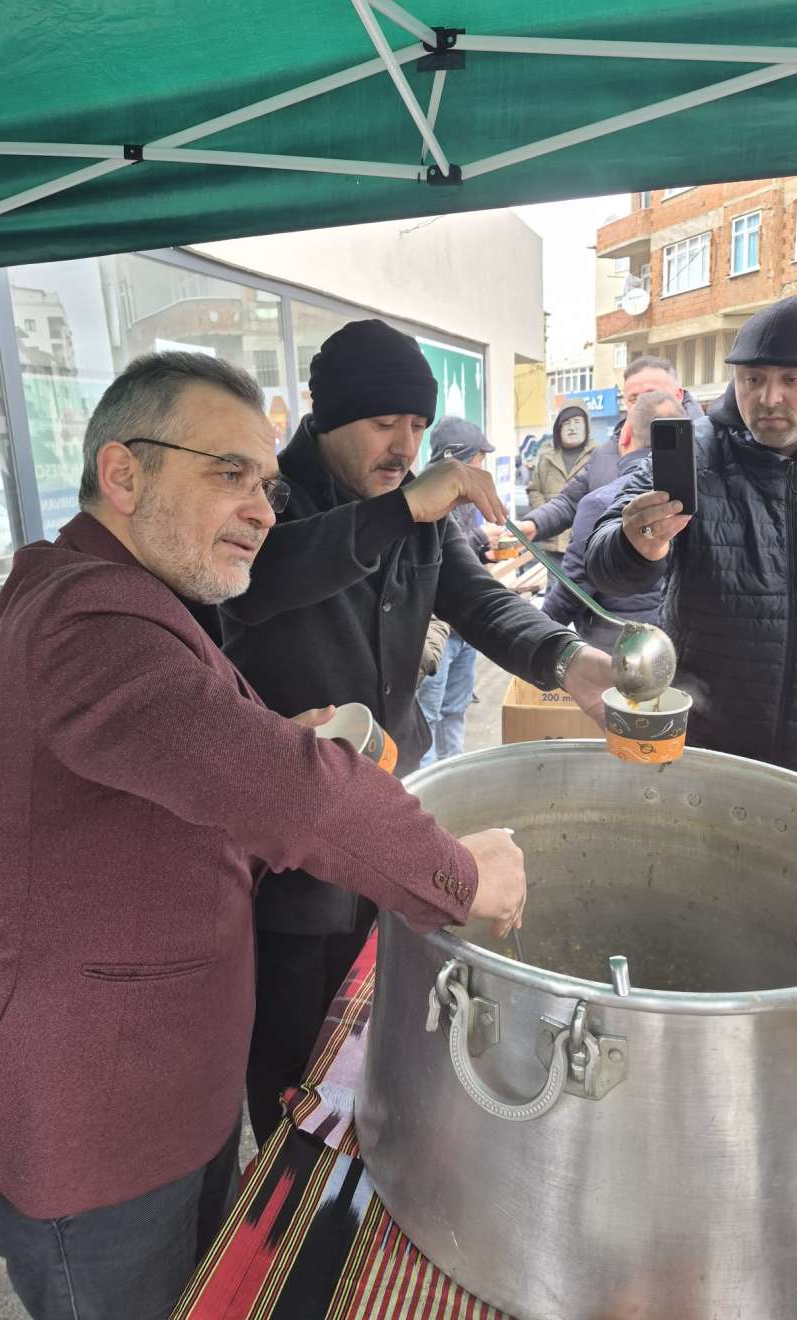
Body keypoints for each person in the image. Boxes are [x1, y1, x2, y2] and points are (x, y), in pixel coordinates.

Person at [0, 352, 527, 1320]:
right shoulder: (87, 616)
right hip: (86, 1138)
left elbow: (185, 771)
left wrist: (277, 742)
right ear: (123, 474)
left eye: (268, 484)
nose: (261, 509)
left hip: (169, 1100)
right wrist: (459, 876)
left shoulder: (137, 598)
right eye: (227, 473)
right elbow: (294, 796)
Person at [214, 318, 613, 1144]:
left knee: (375, 1015)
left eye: (418, 426)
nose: (405, 445)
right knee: (290, 1043)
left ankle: (366, 1148)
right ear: (326, 416)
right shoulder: (267, 498)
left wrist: (567, 659)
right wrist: (401, 508)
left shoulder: (416, 509)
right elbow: (255, 586)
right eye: (384, 423)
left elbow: (477, 598)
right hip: (287, 836)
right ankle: (289, 1185)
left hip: (389, 806)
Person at [586, 295, 797, 785]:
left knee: (796, 849)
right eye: (753, 379)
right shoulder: (696, 452)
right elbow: (604, 562)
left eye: (792, 379)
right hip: (708, 726)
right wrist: (637, 544)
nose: (768, 399)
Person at [543, 390, 685, 650]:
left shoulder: (600, 502)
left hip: (618, 651)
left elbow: (572, 592)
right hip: (678, 649)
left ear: (626, 436)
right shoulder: (704, 500)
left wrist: (532, 636)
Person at [517, 356, 703, 545]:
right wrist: (534, 524)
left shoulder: (708, 447)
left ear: (678, 395)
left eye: (650, 394)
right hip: (606, 567)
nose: (641, 404)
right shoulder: (604, 453)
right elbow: (570, 500)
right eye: (633, 398)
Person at [417, 416, 499, 764]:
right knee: (428, 714)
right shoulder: (425, 496)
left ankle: (454, 768)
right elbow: (432, 557)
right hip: (436, 629)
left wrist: (482, 551)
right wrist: (481, 540)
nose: (482, 468)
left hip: (464, 628)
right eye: (478, 460)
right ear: (459, 459)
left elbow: (461, 553)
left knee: (456, 707)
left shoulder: (464, 500)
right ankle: (428, 791)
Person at [525, 403, 596, 560]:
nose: (572, 428)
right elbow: (534, 489)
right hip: (553, 543)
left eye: (577, 422)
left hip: (586, 543)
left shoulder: (598, 456)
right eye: (566, 423)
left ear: (587, 426)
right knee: (555, 583)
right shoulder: (546, 457)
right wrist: (547, 516)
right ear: (558, 429)